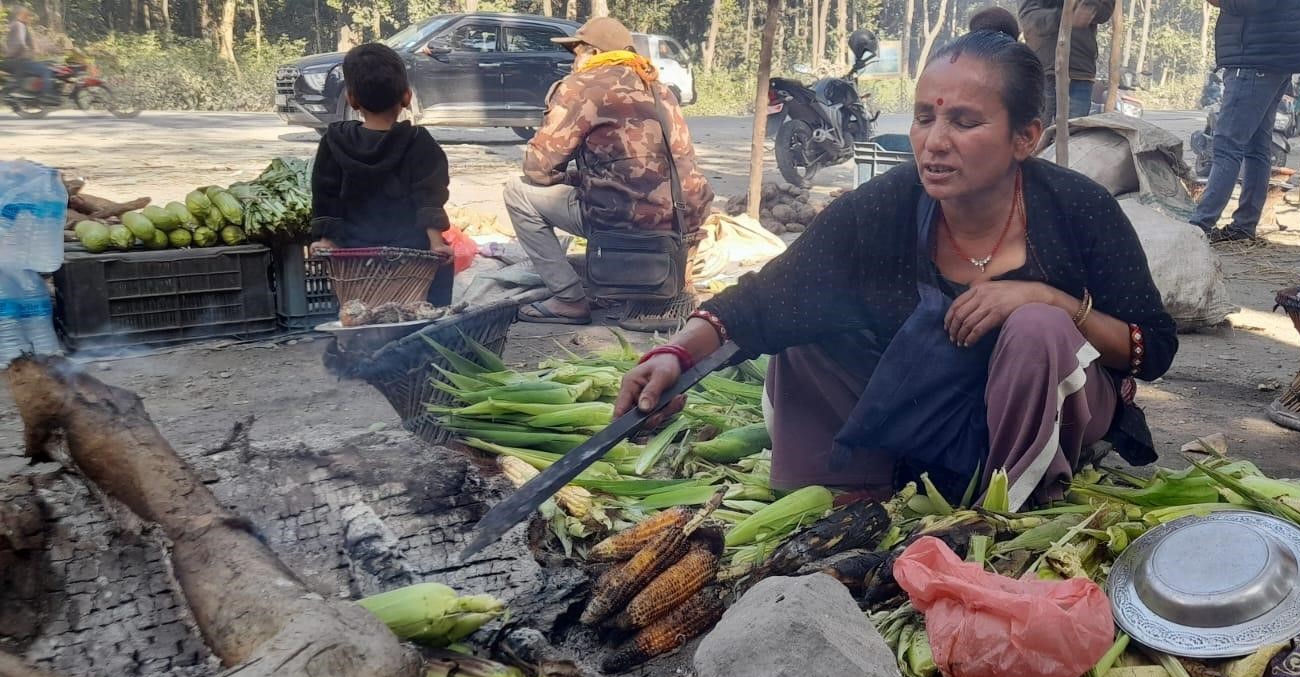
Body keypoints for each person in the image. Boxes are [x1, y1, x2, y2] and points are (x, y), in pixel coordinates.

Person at [613, 27, 1178, 510]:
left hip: (1050, 410)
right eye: (924, 117)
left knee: (1037, 327)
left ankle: (1010, 506)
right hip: (932, 401)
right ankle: (853, 492)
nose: (935, 142)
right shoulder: (885, 204)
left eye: (964, 121)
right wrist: (676, 353)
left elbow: (1150, 350)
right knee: (810, 322)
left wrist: (1051, 301)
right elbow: (769, 298)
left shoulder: (1075, 208)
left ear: (1025, 137)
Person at [504, 16, 713, 325]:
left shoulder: (582, 86)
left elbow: (539, 168)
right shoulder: (658, 87)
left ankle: (568, 299)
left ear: (591, 53)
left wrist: (569, 178)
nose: (574, 61)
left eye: (576, 52)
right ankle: (662, 280)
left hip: (624, 217)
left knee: (517, 193)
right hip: (683, 219)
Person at [309, 42, 454, 306]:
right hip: (410, 254)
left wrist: (327, 240)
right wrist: (436, 244)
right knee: (436, 290)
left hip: (354, 255)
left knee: (356, 311)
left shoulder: (334, 140)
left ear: (352, 99)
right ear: (407, 96)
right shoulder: (419, 141)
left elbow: (325, 194)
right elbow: (430, 195)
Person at [1189, 0, 1300, 244]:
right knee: (1256, 147)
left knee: (1226, 146)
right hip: (1272, 58)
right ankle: (1244, 225)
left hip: (1255, 58)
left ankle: (1201, 224)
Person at [1018, 0, 1113, 126]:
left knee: (1073, 137)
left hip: (1080, 70)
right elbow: (1029, 19)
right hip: (1045, 70)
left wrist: (1087, 6)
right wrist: (1064, 17)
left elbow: (1105, 10)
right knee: (1035, 136)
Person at [3, 7, 53, 100]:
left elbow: (29, 44)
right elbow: (20, 43)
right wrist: (26, 51)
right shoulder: (19, 25)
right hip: (21, 60)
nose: (29, 17)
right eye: (26, 15)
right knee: (46, 70)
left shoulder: (19, 26)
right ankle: (47, 95)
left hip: (18, 60)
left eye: (29, 15)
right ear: (19, 15)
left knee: (47, 64)